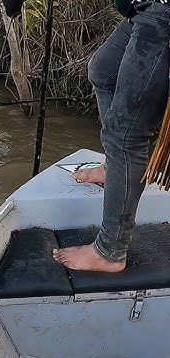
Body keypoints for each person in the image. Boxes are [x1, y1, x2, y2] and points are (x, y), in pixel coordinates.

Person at [52, 1, 170, 272]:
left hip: (163, 14)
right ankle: (113, 170)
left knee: (126, 136)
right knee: (103, 72)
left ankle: (110, 251)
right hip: (147, 7)